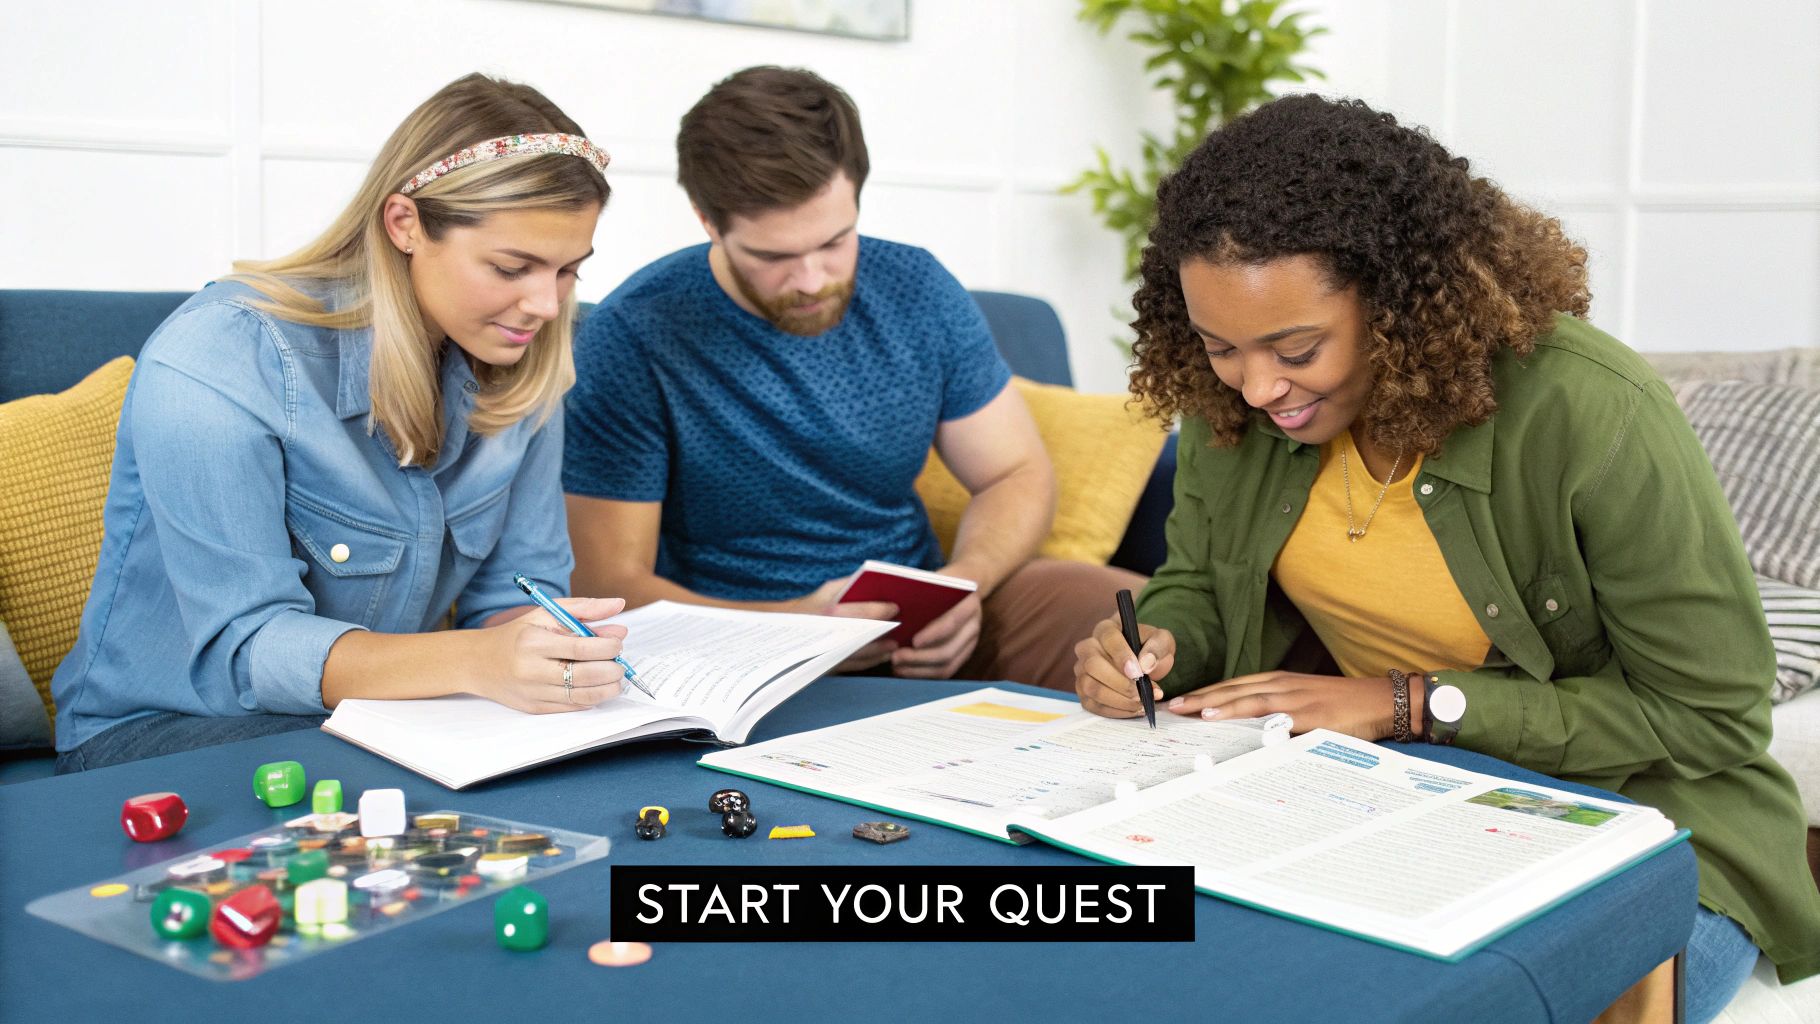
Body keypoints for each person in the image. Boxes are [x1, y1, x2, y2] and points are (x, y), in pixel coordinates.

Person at [1071, 94, 1820, 1018]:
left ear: (1398, 305)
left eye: (1296, 348)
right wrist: (1158, 645)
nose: (1259, 386)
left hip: (1652, 829)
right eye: (1221, 347)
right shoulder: (1230, 405)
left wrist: (1407, 703)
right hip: (1396, 802)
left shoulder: (1592, 411)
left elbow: (1711, 718)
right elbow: (1196, 581)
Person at [53, 73, 628, 772]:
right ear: (404, 224)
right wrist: (477, 661)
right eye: (513, 267)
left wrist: (549, 657)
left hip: (379, 718)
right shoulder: (224, 354)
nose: (544, 303)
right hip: (163, 731)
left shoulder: (526, 364)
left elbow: (520, 592)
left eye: (569, 270)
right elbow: (248, 647)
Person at [563, 66, 1142, 690]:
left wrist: (959, 587)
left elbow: (1014, 473)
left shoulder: (916, 289)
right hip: (735, 653)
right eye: (774, 256)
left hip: (920, 630)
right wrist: (799, 625)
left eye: (835, 241)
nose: (812, 279)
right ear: (708, 220)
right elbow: (609, 583)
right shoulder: (636, 332)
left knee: (1147, 623)